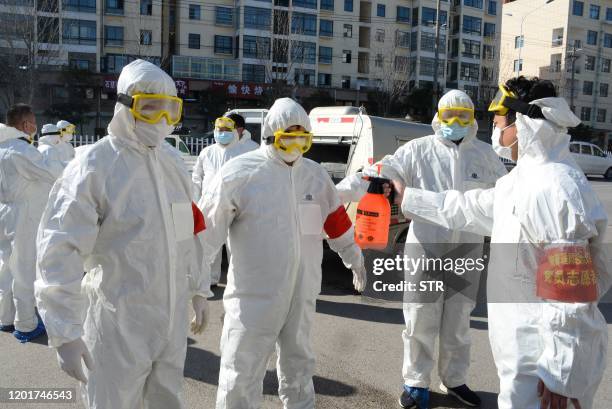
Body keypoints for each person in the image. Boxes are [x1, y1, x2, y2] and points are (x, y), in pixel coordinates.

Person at [391, 77, 610, 409]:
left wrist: (561, 373)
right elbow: (464, 207)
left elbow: (572, 293)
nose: (493, 128)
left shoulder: (555, 187)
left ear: (520, 124)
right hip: (524, 359)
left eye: (498, 121)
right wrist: (409, 198)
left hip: (545, 369)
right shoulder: (521, 182)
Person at [35, 59, 212, 409]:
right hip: (118, 323)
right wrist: (65, 330)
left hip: (171, 321)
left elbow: (187, 234)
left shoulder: (173, 164)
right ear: (125, 107)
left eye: (170, 110)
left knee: (167, 401)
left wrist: (199, 289)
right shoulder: (95, 166)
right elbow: (60, 247)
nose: (161, 120)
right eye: (150, 109)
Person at [337, 90, 507, 409]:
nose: (455, 123)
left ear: (473, 120)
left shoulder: (485, 156)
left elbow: (507, 199)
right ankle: (416, 381)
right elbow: (380, 173)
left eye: (463, 116)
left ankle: (454, 379)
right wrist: (338, 192)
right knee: (420, 318)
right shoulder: (417, 150)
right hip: (426, 247)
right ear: (437, 118)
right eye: (448, 116)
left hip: (467, 251)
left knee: (458, 320)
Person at [198, 97, 366, 409]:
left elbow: (336, 222)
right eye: (289, 135)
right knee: (241, 370)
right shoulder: (240, 173)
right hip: (253, 297)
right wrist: (194, 284)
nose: (296, 144)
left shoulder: (314, 176)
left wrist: (353, 256)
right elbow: (206, 232)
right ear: (271, 134)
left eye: (303, 137)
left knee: (299, 364)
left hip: (301, 294)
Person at [0, 105, 63, 342]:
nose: (35, 127)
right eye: (34, 122)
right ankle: (26, 323)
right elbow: (52, 174)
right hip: (23, 215)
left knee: (6, 266)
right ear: (26, 125)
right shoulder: (22, 150)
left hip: (4, 211)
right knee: (24, 268)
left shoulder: (2, 148)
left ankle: (5, 317)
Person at [191, 113, 258, 286]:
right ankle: (209, 281)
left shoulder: (251, 150)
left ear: (238, 130)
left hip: (239, 207)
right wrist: (197, 201)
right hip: (210, 205)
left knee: (235, 247)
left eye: (226, 129)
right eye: (219, 129)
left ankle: (238, 283)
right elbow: (197, 178)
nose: (222, 133)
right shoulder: (208, 152)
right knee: (207, 244)